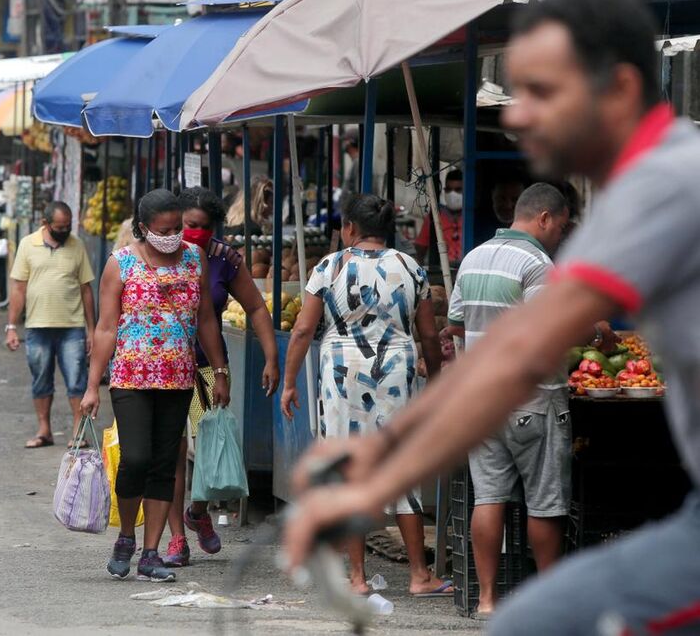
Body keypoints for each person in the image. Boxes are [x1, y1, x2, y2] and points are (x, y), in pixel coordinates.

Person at [281, 0, 700, 635]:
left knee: (534, 621)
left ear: (617, 90)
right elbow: (504, 347)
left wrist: (376, 477)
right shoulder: (637, 190)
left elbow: (517, 352)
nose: (517, 115)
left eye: (542, 91)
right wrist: (386, 447)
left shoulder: (666, 182)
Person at [281, 192, 450, 596]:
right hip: (396, 372)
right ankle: (418, 575)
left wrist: (289, 383)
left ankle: (356, 578)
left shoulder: (329, 267)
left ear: (350, 229)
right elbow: (428, 334)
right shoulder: (411, 268)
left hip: (340, 374)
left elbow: (303, 330)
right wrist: (439, 382)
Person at [81, 189, 230, 584]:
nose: (172, 235)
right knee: (136, 460)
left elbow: (207, 320)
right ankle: (126, 537)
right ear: (143, 227)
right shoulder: (121, 262)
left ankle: (150, 553)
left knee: (166, 465)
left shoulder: (194, 259)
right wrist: (92, 385)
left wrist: (220, 371)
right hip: (131, 377)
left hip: (178, 379)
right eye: (163, 229)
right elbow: (107, 327)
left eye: (176, 227)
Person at [446, 184, 571, 617]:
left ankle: (485, 600)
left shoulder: (474, 257)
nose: (561, 234)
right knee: (544, 502)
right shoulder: (539, 264)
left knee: (488, 498)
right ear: (543, 219)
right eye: (561, 225)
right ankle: (550, 603)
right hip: (530, 401)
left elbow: (458, 324)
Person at [162, 187, 280, 567]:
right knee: (173, 453)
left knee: (212, 445)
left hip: (209, 369)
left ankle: (197, 511)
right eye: (188, 225)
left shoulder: (225, 259)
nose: (195, 232)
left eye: (203, 227)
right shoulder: (158, 255)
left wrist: (271, 357)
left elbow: (257, 308)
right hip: (161, 366)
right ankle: (177, 539)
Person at [5, 202, 95, 449]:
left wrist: (92, 329)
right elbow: (19, 288)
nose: (65, 231)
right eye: (59, 227)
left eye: (68, 227)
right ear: (45, 224)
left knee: (77, 380)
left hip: (72, 326)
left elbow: (86, 289)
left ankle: (78, 431)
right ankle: (44, 430)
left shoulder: (77, 245)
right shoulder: (27, 244)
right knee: (40, 380)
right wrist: (11, 326)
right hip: (37, 326)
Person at [415, 169, 464, 268]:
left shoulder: (471, 217)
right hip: (442, 273)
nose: (452, 194)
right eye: (449, 189)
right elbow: (420, 250)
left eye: (458, 190)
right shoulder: (435, 216)